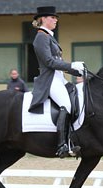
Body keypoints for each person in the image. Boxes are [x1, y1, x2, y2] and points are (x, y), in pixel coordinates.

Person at [28, 6, 85, 158]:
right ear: (43, 19)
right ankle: (62, 145)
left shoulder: (49, 36)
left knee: (77, 100)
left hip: (59, 79)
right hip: (50, 80)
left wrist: (75, 70)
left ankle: (74, 138)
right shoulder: (41, 37)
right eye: (52, 17)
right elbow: (49, 62)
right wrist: (71, 65)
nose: (55, 20)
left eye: (55, 18)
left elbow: (58, 62)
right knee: (65, 105)